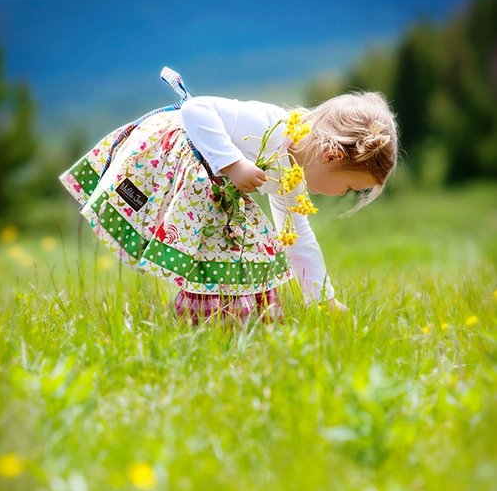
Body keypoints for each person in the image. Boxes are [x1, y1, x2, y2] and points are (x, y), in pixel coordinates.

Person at [58, 66, 398, 325]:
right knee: (234, 245)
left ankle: (218, 318)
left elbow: (297, 238)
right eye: (351, 188)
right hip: (180, 152)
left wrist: (323, 300)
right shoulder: (269, 125)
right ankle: (212, 317)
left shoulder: (292, 175)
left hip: (213, 181)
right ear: (332, 155)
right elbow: (195, 110)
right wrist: (234, 165)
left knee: (246, 248)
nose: (344, 194)